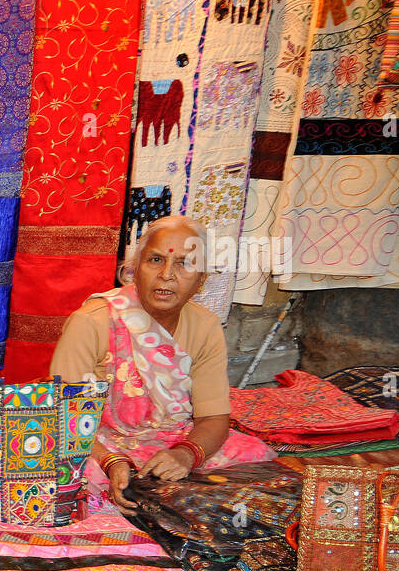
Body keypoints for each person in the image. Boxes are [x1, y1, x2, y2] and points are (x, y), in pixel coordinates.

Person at [49, 214, 272, 511]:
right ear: (134, 269)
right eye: (155, 260)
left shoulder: (205, 326)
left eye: (184, 264)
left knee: (253, 458)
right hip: (98, 445)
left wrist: (186, 455)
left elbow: (213, 418)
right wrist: (110, 461)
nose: (167, 275)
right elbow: (61, 415)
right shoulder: (92, 322)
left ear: (201, 280)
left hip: (171, 442)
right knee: (65, 474)